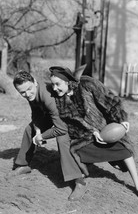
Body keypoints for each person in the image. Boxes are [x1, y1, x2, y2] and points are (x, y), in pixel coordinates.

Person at [49, 66, 138, 201]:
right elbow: (71, 125)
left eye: (57, 84)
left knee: (125, 150)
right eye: (53, 84)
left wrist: (122, 120)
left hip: (105, 129)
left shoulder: (87, 84)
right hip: (83, 136)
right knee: (74, 151)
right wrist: (92, 132)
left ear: (67, 81)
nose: (54, 88)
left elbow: (110, 100)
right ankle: (80, 180)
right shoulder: (59, 100)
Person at [12, 70, 86, 200]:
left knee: (63, 140)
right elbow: (35, 113)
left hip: (72, 116)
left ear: (34, 82)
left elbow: (61, 129)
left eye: (29, 89)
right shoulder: (30, 93)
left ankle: (79, 181)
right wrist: (38, 130)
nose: (27, 94)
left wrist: (42, 137)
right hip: (54, 114)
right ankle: (23, 165)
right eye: (22, 92)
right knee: (30, 130)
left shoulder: (47, 97)